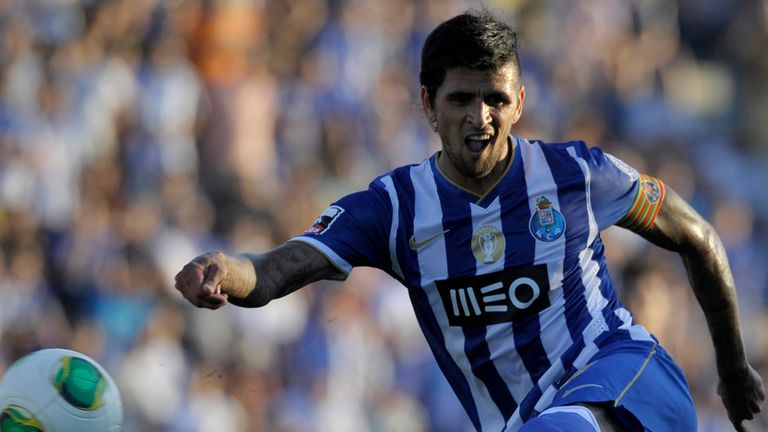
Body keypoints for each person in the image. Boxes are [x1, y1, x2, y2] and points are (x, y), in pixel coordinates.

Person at [175, 10, 765, 432]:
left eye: (495, 100)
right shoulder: (395, 209)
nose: (480, 118)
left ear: (519, 104)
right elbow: (276, 270)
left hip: (628, 385)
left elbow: (698, 236)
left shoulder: (577, 175)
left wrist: (734, 369)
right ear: (428, 104)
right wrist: (224, 269)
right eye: (461, 100)